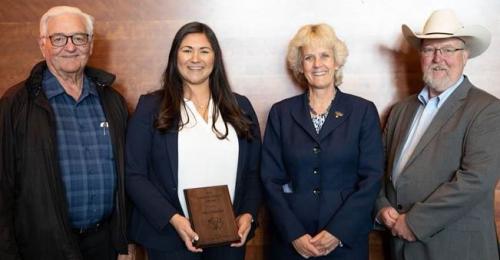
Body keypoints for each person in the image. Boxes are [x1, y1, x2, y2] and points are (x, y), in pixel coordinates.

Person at [0, 6, 132, 260]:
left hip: (103, 244)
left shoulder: (112, 101)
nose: (70, 47)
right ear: (43, 45)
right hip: (42, 247)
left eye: (79, 38)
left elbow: (127, 177)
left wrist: (122, 241)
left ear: (90, 44)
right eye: (59, 38)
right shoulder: (15, 104)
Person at [125, 22, 262, 260]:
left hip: (229, 235)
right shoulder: (150, 107)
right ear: (175, 56)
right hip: (171, 236)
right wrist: (174, 219)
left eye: (204, 51)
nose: (195, 58)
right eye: (187, 50)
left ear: (215, 58)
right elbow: (133, 174)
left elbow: (254, 171)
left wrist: (248, 214)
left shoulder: (241, 107)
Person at [375, 9, 500, 260]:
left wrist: (414, 223)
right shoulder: (400, 111)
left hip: (456, 249)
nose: (438, 58)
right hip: (399, 248)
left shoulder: (488, 109)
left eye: (448, 50)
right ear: (420, 56)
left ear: (465, 56)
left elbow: (475, 181)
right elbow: (376, 170)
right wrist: (381, 207)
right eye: (429, 49)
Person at [260, 23, 384, 259]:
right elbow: (269, 179)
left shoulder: (362, 111)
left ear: (336, 61)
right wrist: (294, 234)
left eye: (325, 55)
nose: (318, 64)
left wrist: (337, 232)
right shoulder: (281, 113)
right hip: (292, 243)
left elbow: (372, 178)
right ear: (300, 65)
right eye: (309, 57)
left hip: (345, 242)